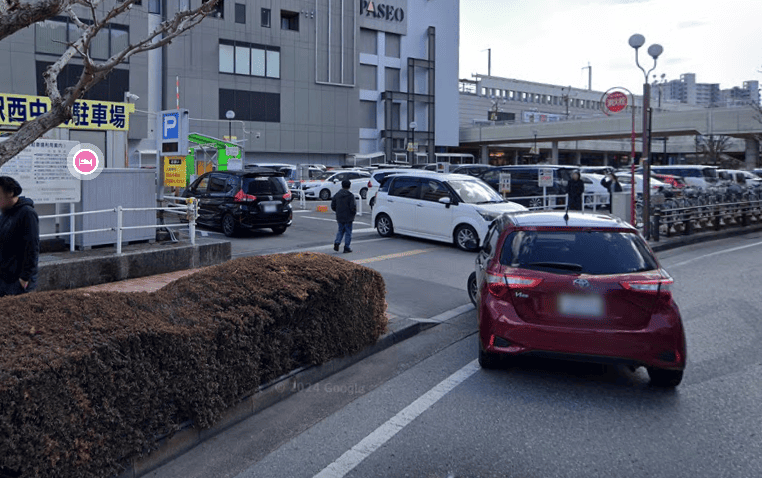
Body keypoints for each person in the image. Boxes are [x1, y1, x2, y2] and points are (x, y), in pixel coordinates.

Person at [0, 176, 39, 296]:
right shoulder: (5, 214)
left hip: (17, 281)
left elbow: (32, 247)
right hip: (4, 278)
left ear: (10, 193)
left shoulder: (27, 213)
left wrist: (25, 278)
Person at [331, 179, 356, 253]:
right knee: (348, 232)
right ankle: (346, 247)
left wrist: (337, 211)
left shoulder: (337, 195)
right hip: (348, 217)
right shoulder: (350, 196)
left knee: (340, 230)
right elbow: (353, 207)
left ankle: (337, 242)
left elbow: (333, 205)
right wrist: (353, 213)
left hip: (339, 216)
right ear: (349, 186)